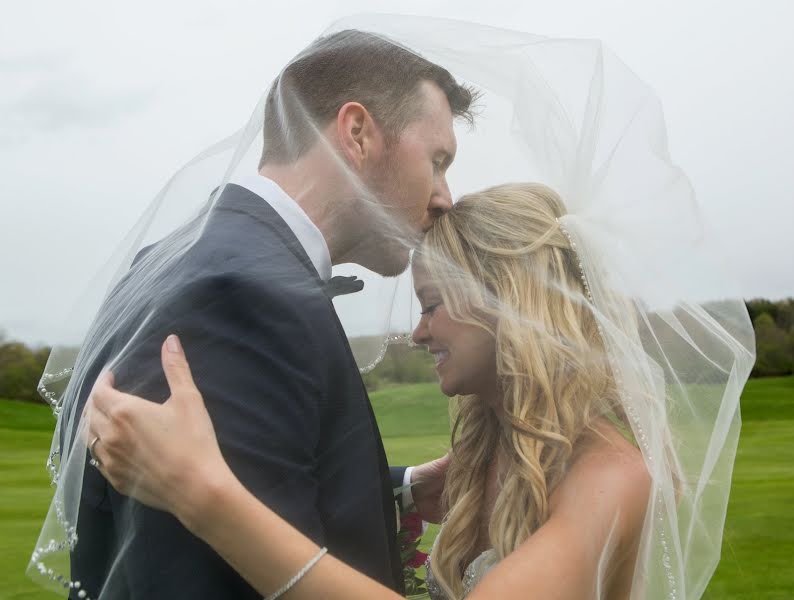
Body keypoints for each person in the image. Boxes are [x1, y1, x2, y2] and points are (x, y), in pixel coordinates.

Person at [31, 29, 476, 600]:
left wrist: (403, 489)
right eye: (438, 161)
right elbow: (198, 569)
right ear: (358, 132)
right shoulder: (242, 295)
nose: (445, 196)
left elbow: (246, 485)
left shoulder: (186, 254)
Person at [86, 183, 659, 599]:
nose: (418, 332)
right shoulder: (490, 452)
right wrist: (404, 491)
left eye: (432, 305)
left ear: (511, 302)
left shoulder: (611, 476)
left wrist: (201, 493)